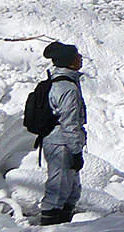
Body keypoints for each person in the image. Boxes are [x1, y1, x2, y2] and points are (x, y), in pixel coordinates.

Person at [39, 42, 87, 225]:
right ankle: (50, 227)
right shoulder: (67, 88)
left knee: (71, 192)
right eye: (77, 56)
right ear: (70, 62)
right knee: (58, 191)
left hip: (61, 141)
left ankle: (63, 226)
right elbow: (70, 123)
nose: (80, 58)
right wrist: (76, 151)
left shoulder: (63, 83)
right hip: (62, 144)